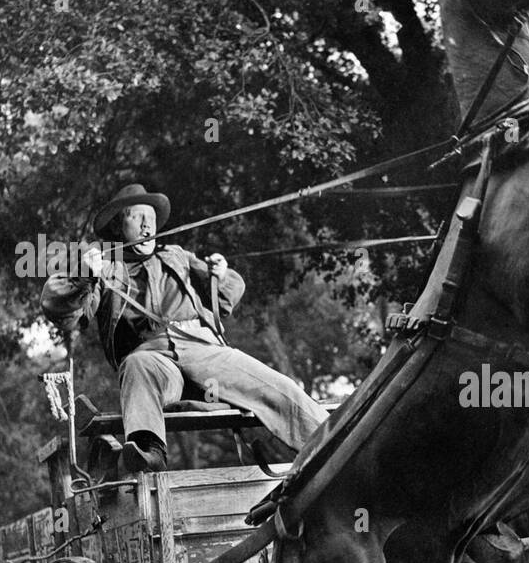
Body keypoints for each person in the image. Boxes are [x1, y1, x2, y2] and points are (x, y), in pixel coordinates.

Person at [41, 183, 328, 473]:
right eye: (137, 217)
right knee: (137, 364)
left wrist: (221, 273)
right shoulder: (104, 266)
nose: (146, 225)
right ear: (118, 226)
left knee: (278, 388)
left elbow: (226, 300)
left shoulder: (177, 256)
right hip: (155, 361)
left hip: (204, 350)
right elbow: (58, 307)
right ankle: (148, 450)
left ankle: (334, 442)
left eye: (150, 219)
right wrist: (84, 275)